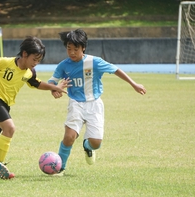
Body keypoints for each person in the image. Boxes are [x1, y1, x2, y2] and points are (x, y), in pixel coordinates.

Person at [47, 29, 146, 176]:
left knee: (96, 143)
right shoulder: (63, 65)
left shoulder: (94, 62)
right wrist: (54, 89)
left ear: (83, 48)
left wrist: (134, 84)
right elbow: (52, 81)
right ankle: (59, 167)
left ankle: (87, 147)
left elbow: (116, 70)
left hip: (94, 104)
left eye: (76, 49)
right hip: (76, 104)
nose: (72, 52)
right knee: (69, 136)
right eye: (69, 49)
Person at [0, 36, 69, 176]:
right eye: (34, 59)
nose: (36, 63)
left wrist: (53, 88)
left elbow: (36, 83)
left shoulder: (29, 72)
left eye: (39, 60)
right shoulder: (7, 62)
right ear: (24, 54)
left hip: (4, 105)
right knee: (10, 128)